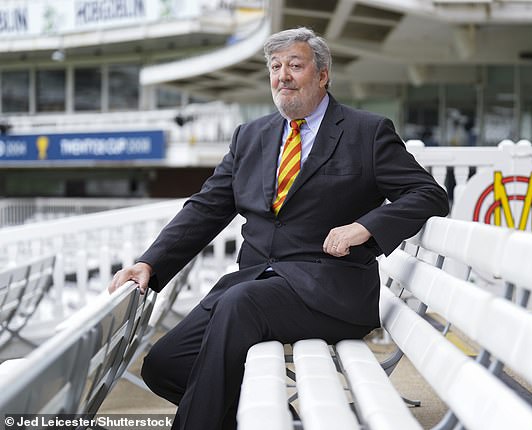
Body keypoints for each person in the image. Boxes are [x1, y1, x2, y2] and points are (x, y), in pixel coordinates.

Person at [109, 27, 449, 430]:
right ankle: (274, 420)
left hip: (331, 292)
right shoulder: (250, 136)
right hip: (254, 285)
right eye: (275, 66)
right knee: (165, 365)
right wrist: (150, 263)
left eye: (295, 65)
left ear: (322, 75)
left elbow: (429, 194)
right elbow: (205, 209)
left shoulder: (366, 132)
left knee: (240, 306)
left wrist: (365, 227)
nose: (282, 75)